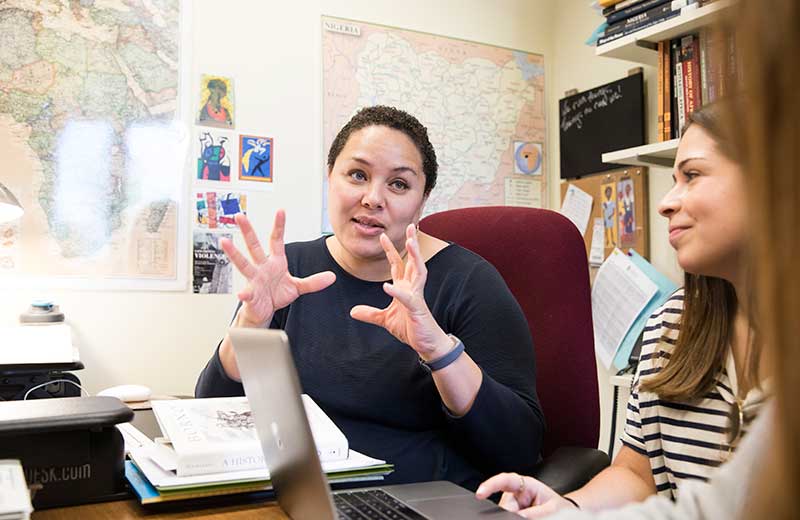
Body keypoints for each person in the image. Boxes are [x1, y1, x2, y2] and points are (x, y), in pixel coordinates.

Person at [196, 105, 545, 490]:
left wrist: (438, 350)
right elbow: (214, 412)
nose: (372, 198)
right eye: (357, 175)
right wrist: (251, 323)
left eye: (398, 184)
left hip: (417, 501)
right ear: (331, 178)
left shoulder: (469, 283)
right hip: (302, 498)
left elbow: (520, 450)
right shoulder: (290, 269)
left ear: (423, 199)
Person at [476, 100, 768, 516]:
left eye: (693, 175)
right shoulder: (673, 322)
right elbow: (636, 474)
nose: (667, 202)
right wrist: (569, 507)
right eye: (674, 179)